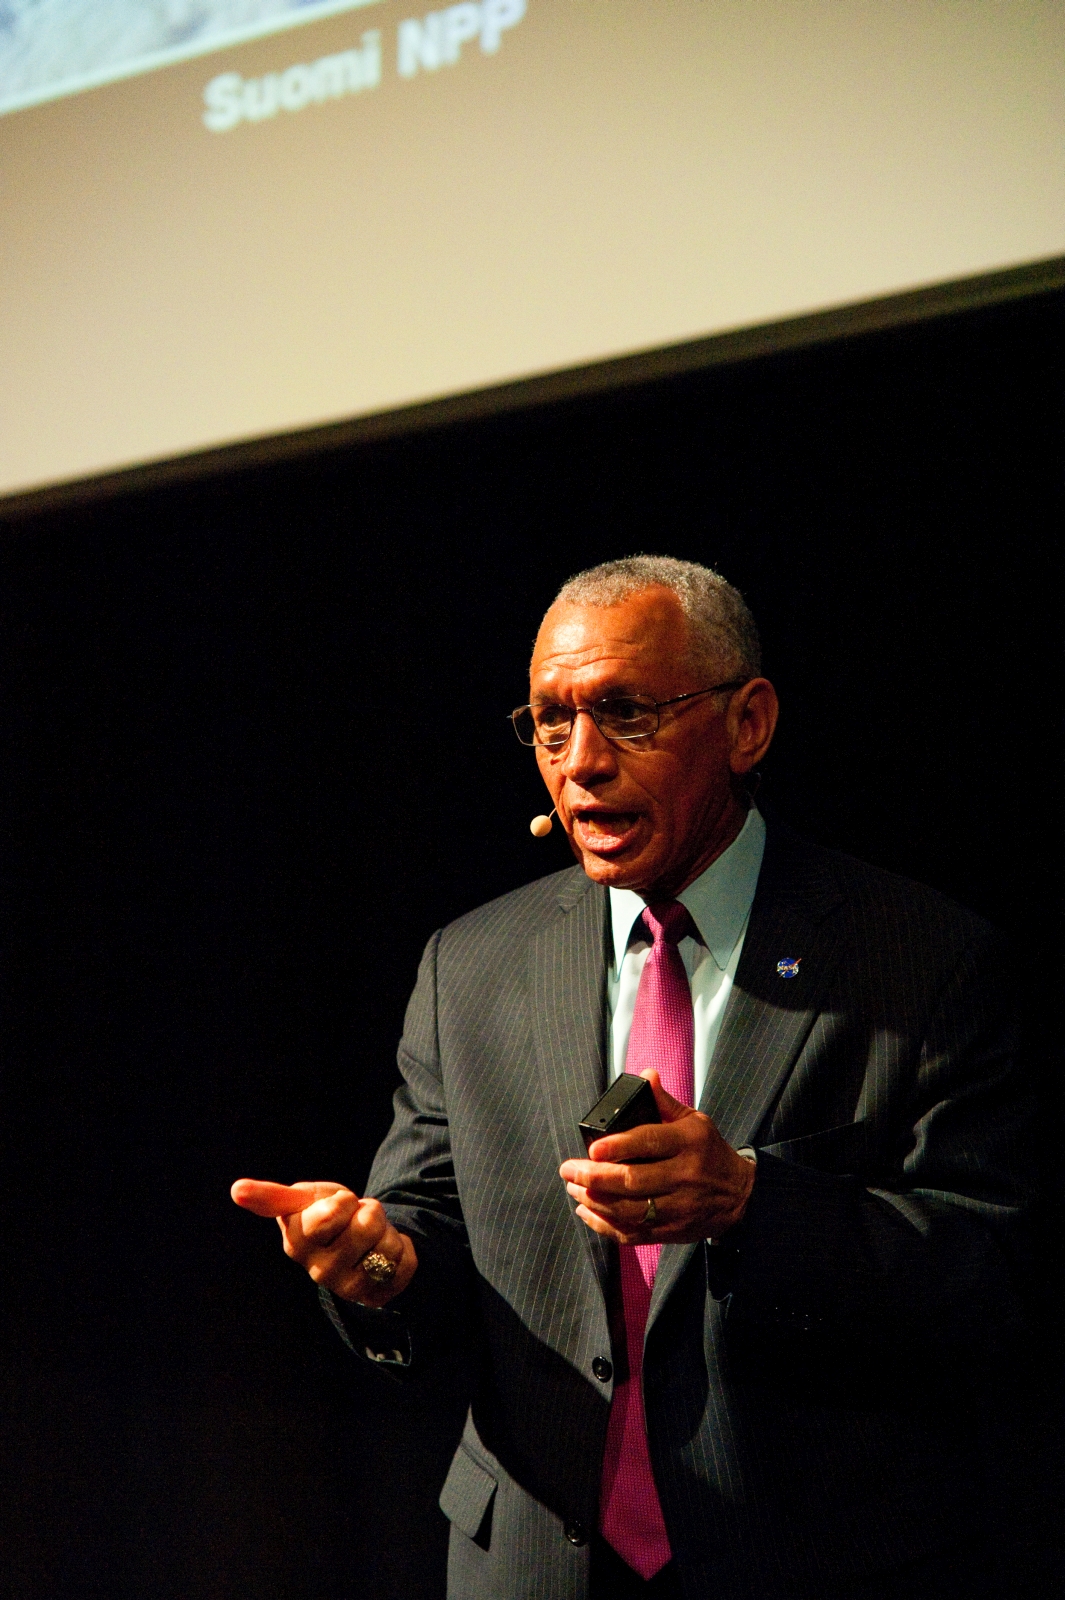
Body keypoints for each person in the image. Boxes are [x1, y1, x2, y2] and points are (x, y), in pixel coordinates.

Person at [233, 555, 1033, 1600]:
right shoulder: (470, 965)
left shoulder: (919, 961)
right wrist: (376, 1263)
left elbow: (999, 1275)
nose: (582, 762)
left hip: (813, 1560)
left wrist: (750, 1202)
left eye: (625, 713)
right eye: (550, 723)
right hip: (534, 1561)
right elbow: (430, 1234)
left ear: (747, 724)